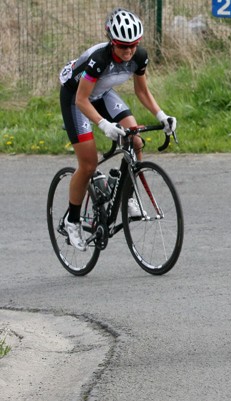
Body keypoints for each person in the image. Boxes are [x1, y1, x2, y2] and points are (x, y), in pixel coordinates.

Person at [59, 7, 176, 251]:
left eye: (133, 45)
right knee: (88, 164)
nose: (129, 50)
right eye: (123, 46)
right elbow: (82, 100)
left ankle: (128, 198)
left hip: (101, 93)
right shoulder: (99, 59)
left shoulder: (138, 56)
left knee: (135, 140)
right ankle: (71, 221)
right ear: (112, 43)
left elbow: (142, 91)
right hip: (76, 97)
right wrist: (103, 125)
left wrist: (162, 115)